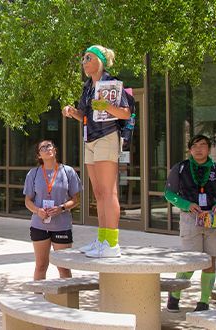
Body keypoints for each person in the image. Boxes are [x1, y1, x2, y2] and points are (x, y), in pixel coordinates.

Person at [62, 45, 131, 258]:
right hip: (89, 138)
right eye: (83, 59)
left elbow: (126, 113)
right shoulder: (87, 87)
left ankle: (112, 244)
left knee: (108, 191)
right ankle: (102, 239)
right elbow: (86, 114)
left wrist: (106, 106)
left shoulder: (111, 83)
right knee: (98, 193)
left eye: (88, 58)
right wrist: (73, 112)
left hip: (107, 136)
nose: (84, 62)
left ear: (99, 61)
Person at [164, 135, 216, 312]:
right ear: (190, 149)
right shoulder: (180, 168)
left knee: (210, 261)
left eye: (203, 145)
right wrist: (186, 205)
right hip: (190, 218)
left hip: (213, 218)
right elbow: (169, 194)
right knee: (190, 261)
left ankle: (203, 301)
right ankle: (175, 295)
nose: (199, 149)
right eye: (195, 146)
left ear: (209, 149)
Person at [24, 140, 82, 281]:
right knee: (41, 266)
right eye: (42, 148)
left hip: (61, 226)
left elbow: (76, 199)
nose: (46, 149)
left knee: (63, 267)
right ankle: (37, 298)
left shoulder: (68, 172)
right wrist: (38, 211)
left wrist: (61, 208)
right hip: (39, 225)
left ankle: (67, 301)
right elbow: (28, 201)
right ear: (39, 155)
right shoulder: (33, 173)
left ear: (55, 150)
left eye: (49, 146)